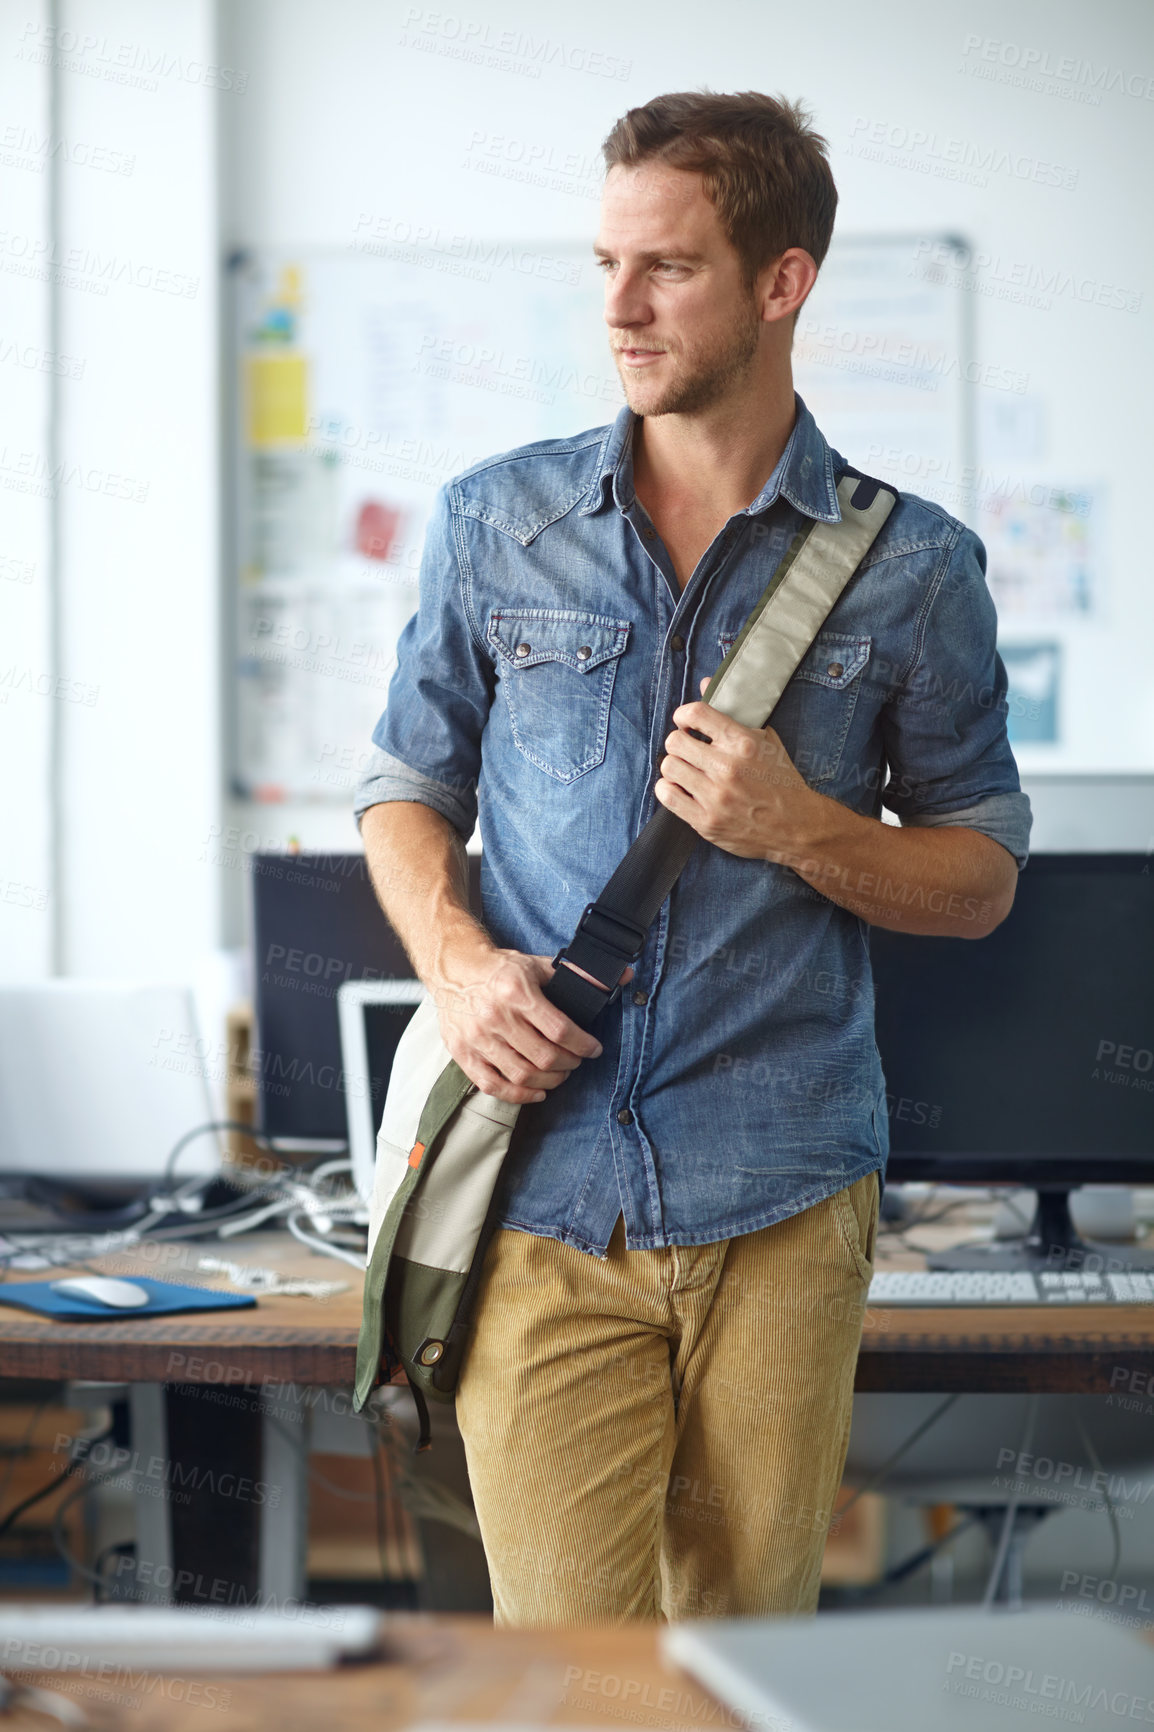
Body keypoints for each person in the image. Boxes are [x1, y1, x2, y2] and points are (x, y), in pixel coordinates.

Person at [354, 89, 1031, 1625]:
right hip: (537, 1188)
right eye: (604, 263)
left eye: (665, 268)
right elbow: (403, 786)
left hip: (784, 1192)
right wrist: (456, 968)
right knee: (572, 1684)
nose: (617, 306)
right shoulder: (494, 523)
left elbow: (981, 875)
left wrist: (801, 827)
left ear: (780, 282)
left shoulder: (913, 563)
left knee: (743, 1666)